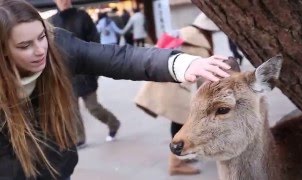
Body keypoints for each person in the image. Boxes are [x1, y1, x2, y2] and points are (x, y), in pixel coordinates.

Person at [0, 0, 231, 179]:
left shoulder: (59, 45)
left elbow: (119, 58)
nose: (40, 50)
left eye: (41, 37)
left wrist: (182, 63)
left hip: (58, 169)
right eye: (24, 46)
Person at [134, 13, 222, 175]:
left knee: (178, 122)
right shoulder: (198, 43)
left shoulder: (184, 33)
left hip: (168, 85)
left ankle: (181, 156)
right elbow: (203, 75)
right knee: (182, 124)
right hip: (179, 90)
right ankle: (175, 164)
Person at [50, 0, 121, 144]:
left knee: (93, 107)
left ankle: (113, 123)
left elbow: (94, 41)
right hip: (66, 74)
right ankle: (79, 138)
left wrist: (94, 67)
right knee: (72, 110)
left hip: (85, 70)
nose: (63, 1)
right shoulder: (52, 21)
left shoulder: (82, 16)